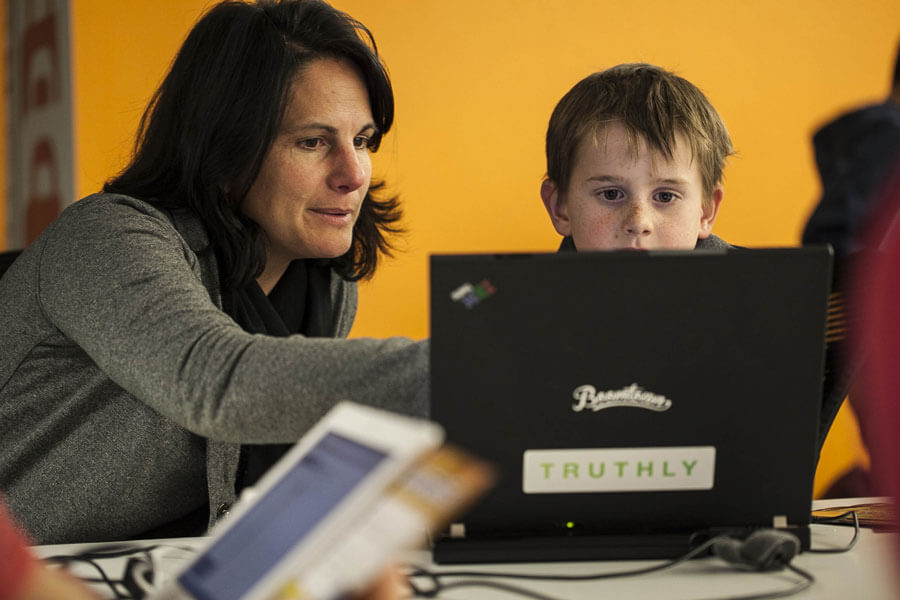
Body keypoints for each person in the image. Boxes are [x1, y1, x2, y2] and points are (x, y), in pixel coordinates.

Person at [0, 0, 428, 545]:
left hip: (162, 568)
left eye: (362, 140)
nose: (353, 174)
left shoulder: (325, 284)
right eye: (313, 142)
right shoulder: (106, 240)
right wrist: (475, 374)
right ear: (227, 152)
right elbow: (216, 384)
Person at [539, 63, 734, 252]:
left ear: (706, 212)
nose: (639, 222)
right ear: (560, 208)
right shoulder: (520, 286)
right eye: (611, 194)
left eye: (665, 197)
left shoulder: (760, 284)